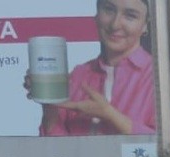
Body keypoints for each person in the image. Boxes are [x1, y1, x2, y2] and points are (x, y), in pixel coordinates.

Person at [34, 0, 157, 136]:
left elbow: (169, 148)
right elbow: (59, 151)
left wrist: (109, 114)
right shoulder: (79, 74)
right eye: (109, 10)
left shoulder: (157, 76)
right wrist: (49, 105)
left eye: (130, 15)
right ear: (97, 16)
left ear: (145, 25)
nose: (115, 24)